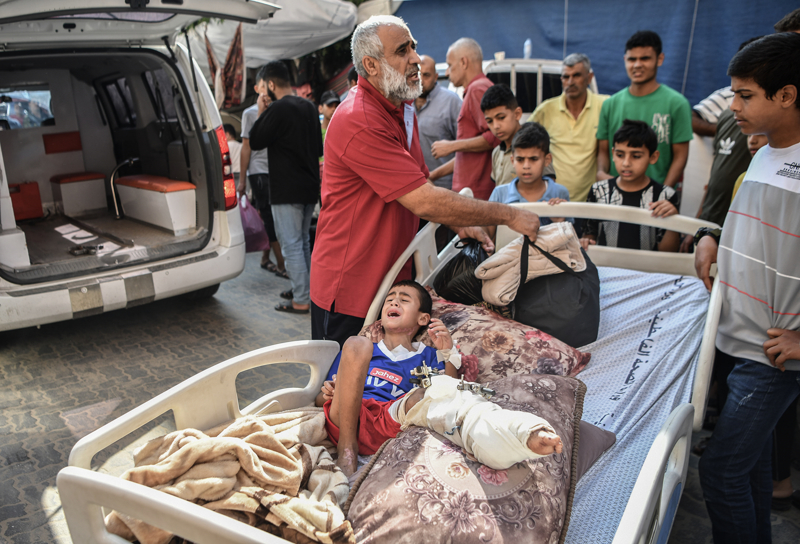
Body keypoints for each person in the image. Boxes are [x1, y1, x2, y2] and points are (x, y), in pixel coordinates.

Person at [310, 15, 541, 347]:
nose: (416, 58)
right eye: (402, 51)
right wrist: (510, 214)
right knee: (341, 374)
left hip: (391, 280)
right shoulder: (359, 118)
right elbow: (424, 200)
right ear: (371, 65)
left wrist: (459, 221)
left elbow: (421, 181)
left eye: (413, 47)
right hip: (352, 285)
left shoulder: (402, 108)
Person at [695, 33, 800, 542]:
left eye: (745, 95)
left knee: (720, 471)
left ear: (787, 95)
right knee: (752, 467)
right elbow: (757, 226)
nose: (732, 106)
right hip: (740, 340)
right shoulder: (763, 152)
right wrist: (711, 237)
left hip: (773, 356)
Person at [316, 280, 563, 475]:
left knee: (430, 393)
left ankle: (512, 435)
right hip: (346, 418)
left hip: (388, 418)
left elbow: (448, 394)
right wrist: (330, 393)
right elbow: (319, 400)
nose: (394, 302)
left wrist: (448, 353)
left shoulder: (429, 355)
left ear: (423, 318)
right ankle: (347, 450)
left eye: (404, 300)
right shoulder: (362, 349)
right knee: (356, 342)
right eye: (390, 299)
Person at [249, 61, 324, 314]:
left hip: (286, 189)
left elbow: (255, 140)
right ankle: (306, 290)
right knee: (302, 242)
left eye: (262, 87)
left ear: (270, 84)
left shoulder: (278, 108)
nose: (262, 92)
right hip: (309, 187)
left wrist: (261, 112)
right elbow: (319, 148)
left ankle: (301, 299)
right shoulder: (309, 106)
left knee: (291, 244)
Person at [596, 31, 692, 192]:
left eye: (645, 58)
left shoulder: (677, 103)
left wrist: (663, 193)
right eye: (632, 59)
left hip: (656, 202)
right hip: (614, 196)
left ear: (660, 59)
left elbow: (680, 156)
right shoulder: (610, 104)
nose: (637, 65)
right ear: (624, 60)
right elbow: (603, 151)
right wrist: (601, 173)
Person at [582, 120, 680, 252]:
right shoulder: (598, 191)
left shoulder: (665, 196)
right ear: (613, 154)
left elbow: (668, 252)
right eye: (620, 155)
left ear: (653, 157)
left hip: (648, 265)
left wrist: (672, 219)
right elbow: (589, 237)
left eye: (636, 156)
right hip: (606, 264)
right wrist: (585, 241)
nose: (626, 163)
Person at [529, 53, 609, 202]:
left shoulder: (604, 105)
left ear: (589, 78)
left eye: (576, 75)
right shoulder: (546, 109)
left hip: (591, 202)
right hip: (553, 202)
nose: (570, 82)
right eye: (566, 77)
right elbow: (523, 141)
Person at [431, 38, 500, 200]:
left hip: (475, 193)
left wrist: (451, 146)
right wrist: (432, 175)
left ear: (463, 62)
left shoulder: (477, 89)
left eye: (450, 65)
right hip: (469, 191)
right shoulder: (477, 88)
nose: (447, 73)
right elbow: (467, 154)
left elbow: (494, 136)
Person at [486, 122, 571, 240]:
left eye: (533, 159)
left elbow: (571, 239)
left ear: (547, 160)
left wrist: (559, 222)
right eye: (520, 159)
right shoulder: (499, 194)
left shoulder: (560, 193)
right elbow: (487, 237)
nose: (526, 166)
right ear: (512, 161)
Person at [239, 68, 285, 277]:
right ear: (257, 88)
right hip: (258, 172)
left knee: (272, 216)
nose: (266, 90)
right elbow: (246, 147)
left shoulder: (278, 110)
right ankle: (282, 264)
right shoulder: (249, 113)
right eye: (263, 86)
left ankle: (266, 258)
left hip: (276, 170)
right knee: (269, 216)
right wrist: (242, 181)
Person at [415, 54, 462, 189]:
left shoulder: (452, 102)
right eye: (417, 74)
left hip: (445, 187)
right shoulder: (404, 103)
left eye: (426, 75)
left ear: (436, 77)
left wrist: (432, 176)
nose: (420, 80)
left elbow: (465, 149)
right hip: (413, 186)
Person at [482, 83, 523, 187]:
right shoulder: (497, 153)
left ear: (517, 114)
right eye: (490, 121)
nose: (496, 126)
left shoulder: (534, 147)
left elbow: (548, 188)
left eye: (501, 118)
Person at [223, 124, 242, 188]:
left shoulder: (225, 147)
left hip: (229, 177)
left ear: (227, 134)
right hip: (242, 176)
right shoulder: (241, 146)